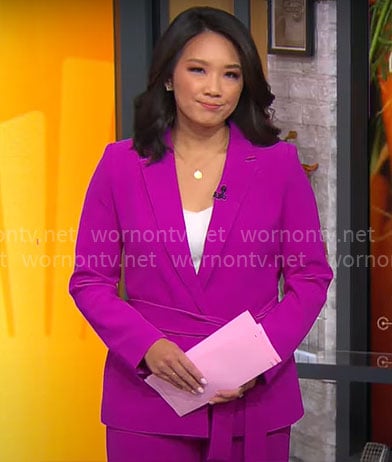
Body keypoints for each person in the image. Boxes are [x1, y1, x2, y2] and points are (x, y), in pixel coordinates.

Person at [69, 6, 333, 462]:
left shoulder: (278, 165)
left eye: (231, 75)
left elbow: (310, 277)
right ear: (169, 77)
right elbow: (90, 280)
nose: (215, 89)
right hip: (148, 403)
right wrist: (148, 347)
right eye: (198, 70)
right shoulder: (120, 165)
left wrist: (255, 360)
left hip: (254, 402)